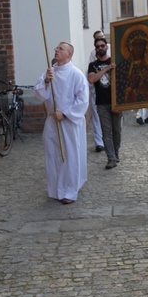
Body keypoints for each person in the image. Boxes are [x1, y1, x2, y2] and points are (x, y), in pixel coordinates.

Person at [34, 42, 89, 204]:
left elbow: (83, 100)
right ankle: (55, 188)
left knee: (69, 156)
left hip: (69, 123)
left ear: (69, 54)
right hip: (52, 121)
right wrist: (45, 81)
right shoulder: (50, 73)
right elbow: (40, 95)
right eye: (56, 48)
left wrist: (65, 114)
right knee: (53, 155)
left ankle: (70, 191)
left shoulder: (76, 75)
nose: (56, 50)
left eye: (60, 49)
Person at [88, 37, 121, 169]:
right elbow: (92, 79)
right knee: (106, 132)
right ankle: (111, 158)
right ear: (95, 49)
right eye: (98, 46)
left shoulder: (114, 61)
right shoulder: (93, 65)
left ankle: (116, 153)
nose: (100, 48)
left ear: (106, 47)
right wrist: (106, 69)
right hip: (101, 103)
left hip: (115, 102)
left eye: (102, 46)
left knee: (117, 131)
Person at [115, 24, 148, 105]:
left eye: (142, 44)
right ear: (130, 47)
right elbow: (118, 88)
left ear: (146, 46)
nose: (139, 48)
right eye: (136, 44)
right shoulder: (122, 67)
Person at [88, 30, 107, 152]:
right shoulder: (92, 54)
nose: (100, 47)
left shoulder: (111, 50)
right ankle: (99, 142)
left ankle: (109, 141)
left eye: (101, 38)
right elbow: (91, 72)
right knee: (96, 117)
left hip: (109, 89)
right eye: (97, 39)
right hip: (97, 88)